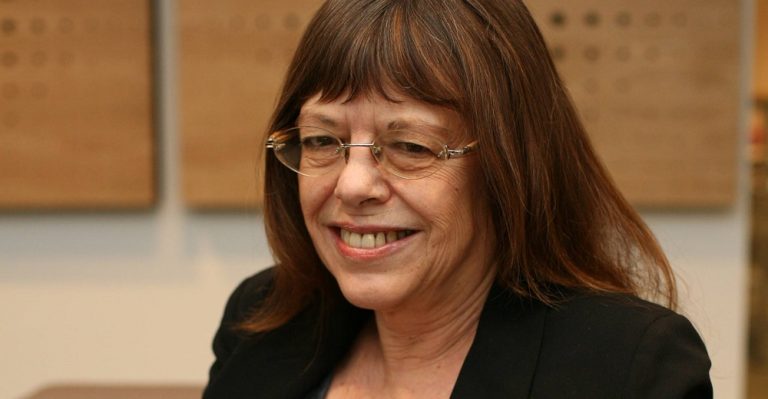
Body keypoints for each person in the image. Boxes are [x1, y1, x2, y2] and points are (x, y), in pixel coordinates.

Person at [203, 0, 712, 398]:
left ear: (509, 164)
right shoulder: (263, 318)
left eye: (409, 146)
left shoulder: (625, 367)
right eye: (322, 140)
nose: (353, 185)